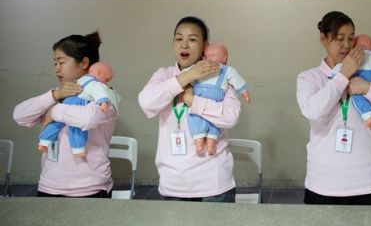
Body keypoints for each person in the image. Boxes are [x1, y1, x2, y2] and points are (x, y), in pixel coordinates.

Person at [297, 11, 371, 205]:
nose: (346, 45)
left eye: (351, 38)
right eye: (339, 39)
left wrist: (369, 88)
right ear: (323, 38)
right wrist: (343, 76)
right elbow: (313, 111)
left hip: (366, 182)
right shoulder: (309, 77)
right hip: (323, 183)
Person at [138, 16, 241, 202]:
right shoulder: (164, 75)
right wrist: (187, 77)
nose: (184, 45)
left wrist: (194, 102)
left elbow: (231, 116)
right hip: (173, 183)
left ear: (205, 45)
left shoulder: (219, 75)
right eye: (178, 39)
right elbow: (147, 103)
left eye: (192, 39)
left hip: (213, 183)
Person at [13, 32, 117, 198]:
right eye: (55, 63)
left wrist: (53, 111)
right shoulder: (58, 95)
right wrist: (54, 96)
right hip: (49, 185)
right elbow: (19, 115)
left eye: (61, 62)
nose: (57, 69)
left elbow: (87, 118)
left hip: (89, 188)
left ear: (84, 62)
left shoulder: (103, 95)